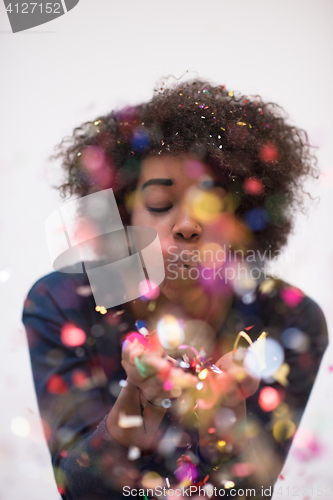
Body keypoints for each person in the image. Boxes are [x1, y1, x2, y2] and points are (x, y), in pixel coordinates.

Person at [22, 80, 328, 500]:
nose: (187, 226)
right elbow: (77, 491)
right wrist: (124, 424)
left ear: (245, 220)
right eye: (161, 203)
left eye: (213, 204)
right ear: (122, 211)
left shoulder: (288, 318)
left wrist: (228, 433)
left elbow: (249, 493)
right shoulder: (63, 302)